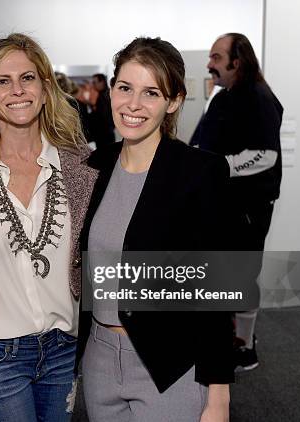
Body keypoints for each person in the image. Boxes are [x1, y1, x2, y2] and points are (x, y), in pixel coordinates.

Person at [79, 37, 235, 421]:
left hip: (169, 364)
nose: (133, 104)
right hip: (99, 360)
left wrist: (219, 396)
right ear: (111, 90)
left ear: (174, 100)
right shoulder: (93, 167)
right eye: (125, 88)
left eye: (151, 92)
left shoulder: (200, 173)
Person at [0, 33, 98, 422]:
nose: (17, 90)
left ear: (45, 88)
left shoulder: (83, 167)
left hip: (63, 348)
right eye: (2, 81)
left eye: (27, 78)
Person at [190, 33, 283, 372]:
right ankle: (225, 342)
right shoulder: (225, 95)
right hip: (223, 207)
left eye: (216, 57)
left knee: (241, 277)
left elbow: (264, 155)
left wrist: (218, 165)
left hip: (247, 209)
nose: (209, 64)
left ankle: (243, 348)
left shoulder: (258, 97)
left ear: (237, 60)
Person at [89, 73, 116, 148]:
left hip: (104, 134)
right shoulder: (106, 94)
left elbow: (104, 116)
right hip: (107, 132)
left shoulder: (104, 96)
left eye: (95, 82)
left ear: (102, 82)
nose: (93, 85)